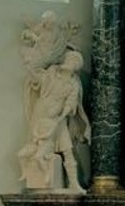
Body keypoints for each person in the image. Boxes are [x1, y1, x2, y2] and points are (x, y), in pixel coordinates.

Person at [20, 50, 88, 192]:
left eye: (74, 61)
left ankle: (74, 184)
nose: (71, 62)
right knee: (37, 142)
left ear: (77, 66)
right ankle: (42, 177)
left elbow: (70, 103)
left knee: (67, 149)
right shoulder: (52, 73)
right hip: (42, 112)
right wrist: (29, 67)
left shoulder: (73, 83)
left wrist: (60, 117)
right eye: (70, 59)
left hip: (58, 117)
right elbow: (38, 80)